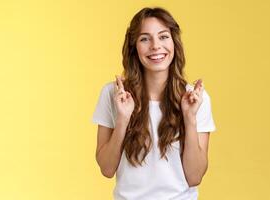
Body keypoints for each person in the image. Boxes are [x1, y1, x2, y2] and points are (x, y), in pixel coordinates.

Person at [92, 7, 216, 200]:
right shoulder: (113, 94)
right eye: (145, 39)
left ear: (174, 42)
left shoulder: (196, 99)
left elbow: (195, 176)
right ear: (134, 47)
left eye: (163, 36)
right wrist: (123, 119)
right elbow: (107, 169)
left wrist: (189, 118)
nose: (156, 46)